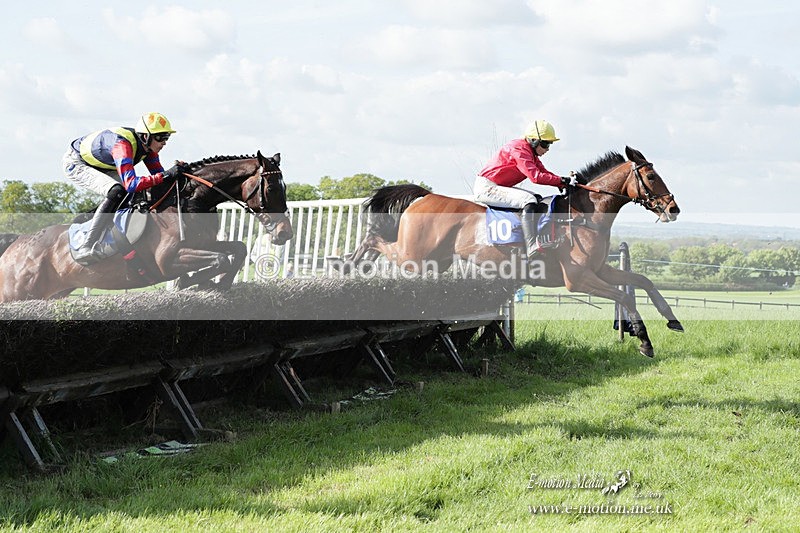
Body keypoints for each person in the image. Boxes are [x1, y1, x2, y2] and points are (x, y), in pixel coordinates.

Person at [63, 112, 187, 264]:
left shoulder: (148, 149)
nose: (164, 142)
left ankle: (99, 224)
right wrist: (166, 175)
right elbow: (132, 184)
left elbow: (160, 177)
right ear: (145, 136)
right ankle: (87, 245)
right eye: (160, 137)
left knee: (132, 196)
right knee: (116, 191)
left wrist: (178, 174)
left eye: (166, 137)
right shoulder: (122, 146)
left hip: (103, 164)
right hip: (77, 163)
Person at [474, 119, 577, 259]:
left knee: (537, 199)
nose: (547, 148)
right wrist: (560, 181)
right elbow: (535, 177)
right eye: (545, 143)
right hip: (487, 188)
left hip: (496, 186)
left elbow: (543, 172)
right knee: (528, 200)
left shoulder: (529, 152)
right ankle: (531, 245)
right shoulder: (519, 149)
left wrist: (562, 182)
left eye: (550, 144)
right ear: (534, 141)